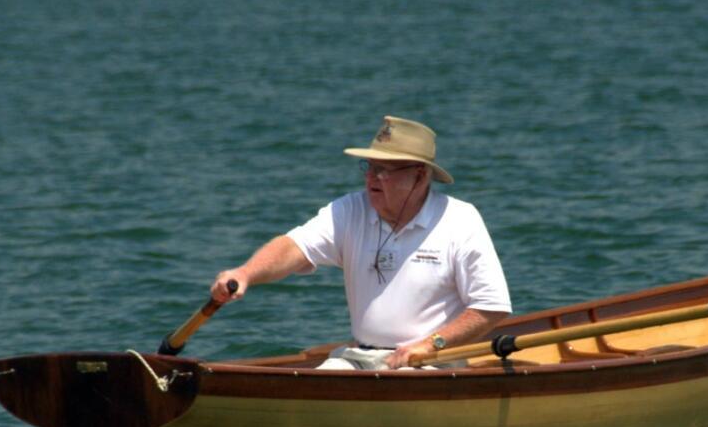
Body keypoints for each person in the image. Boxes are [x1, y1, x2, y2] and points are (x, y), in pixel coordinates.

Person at [211, 116, 511, 369]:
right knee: (321, 380)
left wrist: (432, 344)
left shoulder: (460, 219)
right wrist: (246, 273)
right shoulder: (350, 209)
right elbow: (293, 247)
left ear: (419, 176)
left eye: (384, 170)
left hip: (432, 362)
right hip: (359, 357)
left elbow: (491, 307)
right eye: (369, 167)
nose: (371, 178)